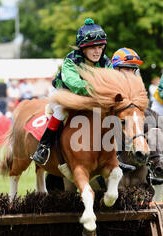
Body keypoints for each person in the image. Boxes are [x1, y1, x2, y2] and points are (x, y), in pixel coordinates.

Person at [31, 18, 111, 165]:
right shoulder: (71, 60)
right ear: (83, 48)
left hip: (92, 97)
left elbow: (113, 81)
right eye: (93, 47)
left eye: (100, 47)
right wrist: (100, 88)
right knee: (61, 110)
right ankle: (43, 147)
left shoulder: (106, 61)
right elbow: (76, 85)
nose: (97, 51)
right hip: (65, 94)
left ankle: (116, 154)